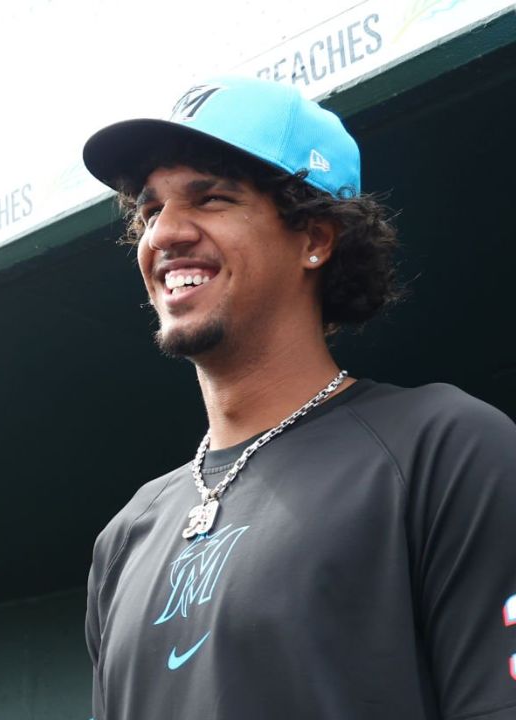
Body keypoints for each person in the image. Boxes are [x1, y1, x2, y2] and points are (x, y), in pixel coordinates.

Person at [80, 75, 516, 719]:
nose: (165, 233)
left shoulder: (446, 449)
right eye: (150, 210)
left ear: (315, 238)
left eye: (211, 198)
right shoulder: (126, 536)